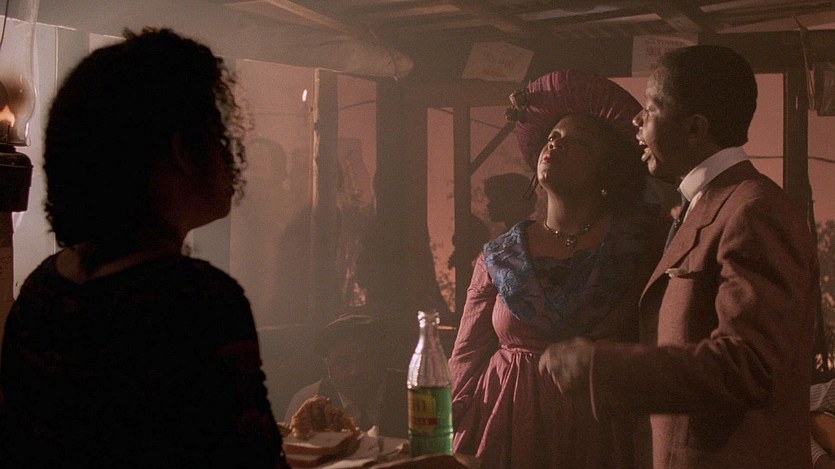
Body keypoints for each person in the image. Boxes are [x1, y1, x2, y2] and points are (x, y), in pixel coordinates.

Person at [0, 28, 289, 468]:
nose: (231, 153)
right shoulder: (197, 301)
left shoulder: (42, 290)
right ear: (182, 150)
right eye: (218, 133)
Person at [539, 45, 819, 468]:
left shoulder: (754, 210)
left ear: (694, 129)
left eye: (651, 108)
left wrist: (604, 367)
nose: (637, 120)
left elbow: (749, 366)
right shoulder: (707, 205)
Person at [448, 69, 668, 468]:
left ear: (609, 168)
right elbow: (466, 358)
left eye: (579, 141)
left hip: (601, 433)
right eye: (552, 137)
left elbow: (659, 350)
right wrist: (451, 436)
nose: (556, 144)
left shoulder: (639, 246)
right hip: (507, 427)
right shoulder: (499, 256)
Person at [284, 314, 408, 439]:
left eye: (365, 358)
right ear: (328, 366)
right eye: (342, 362)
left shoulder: (413, 393)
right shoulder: (305, 401)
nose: (355, 371)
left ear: (382, 358)